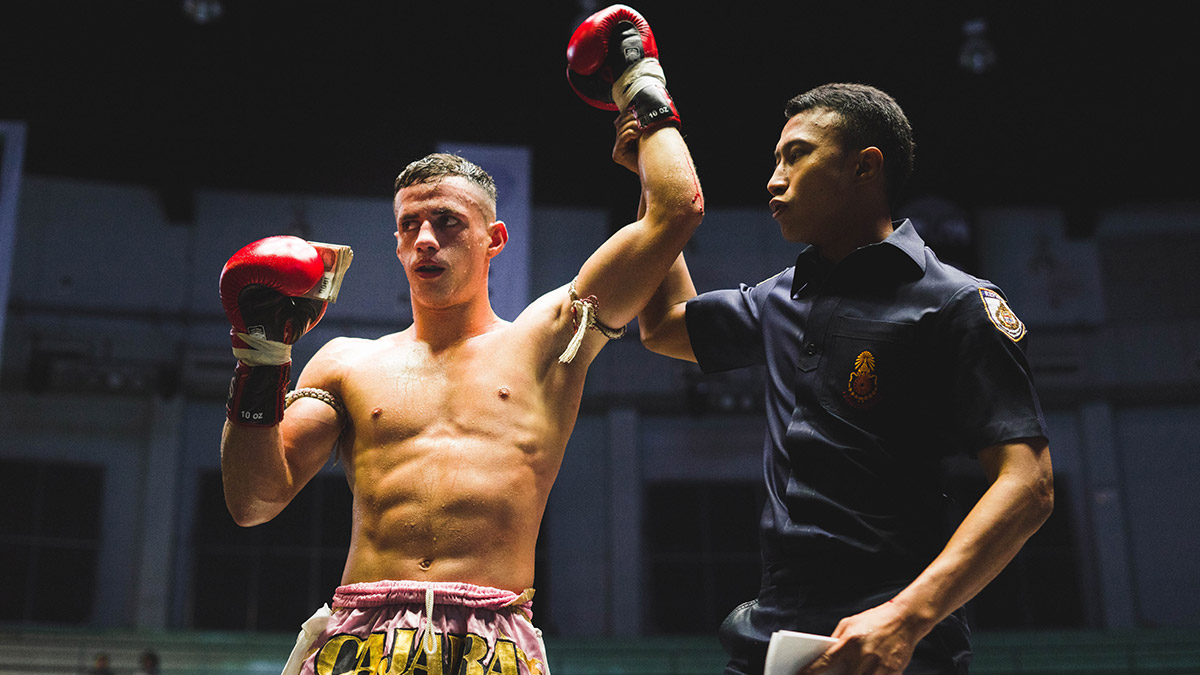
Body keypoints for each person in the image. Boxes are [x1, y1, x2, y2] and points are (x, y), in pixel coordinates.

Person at [218, 6, 703, 675]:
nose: (425, 239)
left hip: (490, 642)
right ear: (395, 243)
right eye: (409, 225)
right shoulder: (345, 362)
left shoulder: (546, 342)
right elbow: (253, 501)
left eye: (447, 222)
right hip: (361, 639)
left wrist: (639, 84)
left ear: (493, 238)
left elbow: (677, 212)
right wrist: (261, 354)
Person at [637, 83, 1054, 674]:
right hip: (774, 633)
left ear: (865, 167)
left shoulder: (956, 303)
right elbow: (664, 325)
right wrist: (657, 177)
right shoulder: (780, 298)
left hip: (895, 638)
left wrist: (907, 617)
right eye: (775, 160)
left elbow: (1028, 484)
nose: (773, 180)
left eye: (797, 155)